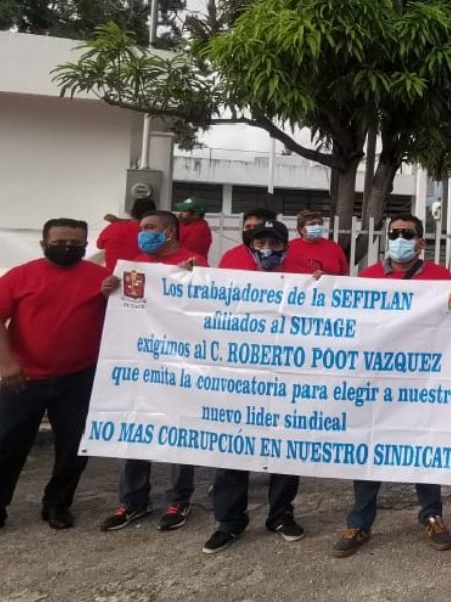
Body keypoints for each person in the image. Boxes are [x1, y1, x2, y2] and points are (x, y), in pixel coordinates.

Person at [334, 214, 451, 557]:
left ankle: (432, 515)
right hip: (376, 382)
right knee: (370, 447)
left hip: (421, 381)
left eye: (407, 234)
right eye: (394, 233)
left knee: (424, 446)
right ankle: (360, 522)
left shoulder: (440, 278)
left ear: (420, 242)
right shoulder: (369, 277)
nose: (399, 238)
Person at [204, 219, 306, 553]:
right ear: (249, 246)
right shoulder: (229, 270)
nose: (267, 250)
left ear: (285, 247)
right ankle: (230, 521)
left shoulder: (303, 275)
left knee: (284, 451)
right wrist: (184, 277)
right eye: (260, 243)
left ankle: (280, 514)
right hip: (239, 378)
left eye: (274, 244)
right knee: (233, 449)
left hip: (285, 377)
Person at [100, 210, 206, 532]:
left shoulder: (195, 261)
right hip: (142, 363)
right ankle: (133, 500)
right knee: (136, 425)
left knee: (179, 428)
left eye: (149, 228)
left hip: (181, 363)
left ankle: (179, 498)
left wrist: (197, 278)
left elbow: (209, 306)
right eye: (141, 228)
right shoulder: (133, 265)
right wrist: (109, 291)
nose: (142, 233)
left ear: (170, 232)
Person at [0, 219, 108, 530]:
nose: (68, 248)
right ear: (44, 243)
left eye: (76, 244)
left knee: (74, 446)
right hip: (23, 378)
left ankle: (58, 503)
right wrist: (6, 364)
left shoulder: (100, 278)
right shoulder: (21, 276)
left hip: (78, 377)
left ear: (86, 245)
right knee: (7, 444)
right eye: (60, 242)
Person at [96, 197, 156, 273]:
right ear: (153, 214)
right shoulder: (155, 233)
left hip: (113, 278)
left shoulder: (112, 228)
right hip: (143, 277)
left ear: (131, 212)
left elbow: (99, 245)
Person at [288, 210, 349, 275]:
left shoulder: (334, 247)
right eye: (312, 224)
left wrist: (326, 277)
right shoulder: (290, 247)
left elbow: (344, 274)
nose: (317, 227)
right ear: (301, 229)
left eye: (319, 224)